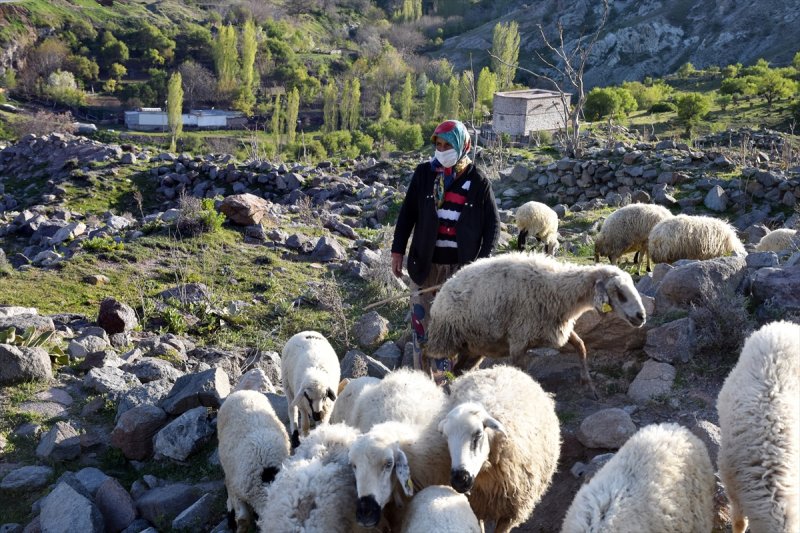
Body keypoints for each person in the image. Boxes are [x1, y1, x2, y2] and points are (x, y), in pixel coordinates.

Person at [390, 119, 500, 381]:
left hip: (459, 272)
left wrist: (481, 265)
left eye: (447, 146)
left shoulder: (477, 181)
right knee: (422, 326)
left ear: (463, 146)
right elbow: (407, 214)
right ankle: (423, 384)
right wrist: (397, 251)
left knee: (450, 329)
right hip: (425, 266)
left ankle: (447, 384)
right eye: (438, 145)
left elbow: (492, 226)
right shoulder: (424, 174)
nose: (441, 151)